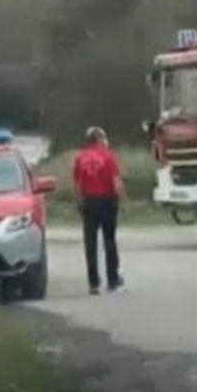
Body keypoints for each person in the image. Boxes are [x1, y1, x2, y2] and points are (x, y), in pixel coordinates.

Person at [73, 126, 125, 295]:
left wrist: (79, 202)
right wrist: (121, 200)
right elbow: (116, 181)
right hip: (107, 201)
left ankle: (93, 282)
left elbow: (78, 184)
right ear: (101, 139)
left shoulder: (81, 158)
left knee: (90, 242)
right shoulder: (109, 156)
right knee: (109, 240)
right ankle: (112, 278)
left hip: (89, 201)